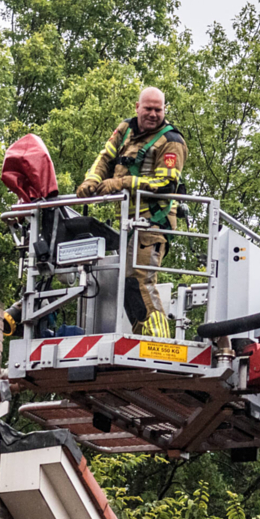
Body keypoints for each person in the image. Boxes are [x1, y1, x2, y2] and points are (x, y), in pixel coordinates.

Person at [75, 87, 187, 339]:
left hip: (153, 225)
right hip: (128, 226)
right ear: (137, 107)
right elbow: (105, 158)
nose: (153, 114)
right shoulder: (125, 130)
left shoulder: (172, 141)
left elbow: (166, 185)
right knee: (127, 286)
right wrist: (90, 182)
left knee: (140, 281)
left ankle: (160, 342)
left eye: (158, 109)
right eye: (148, 108)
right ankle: (143, 338)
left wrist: (122, 183)